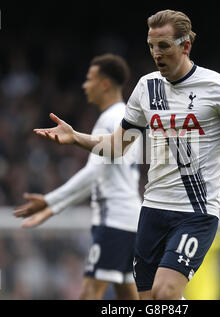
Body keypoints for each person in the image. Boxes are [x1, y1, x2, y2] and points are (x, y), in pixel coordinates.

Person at [33, 9, 220, 300]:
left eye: (164, 46)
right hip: (153, 210)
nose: (156, 53)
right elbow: (119, 145)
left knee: (165, 293)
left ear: (185, 46)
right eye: (151, 46)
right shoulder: (146, 87)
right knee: (148, 301)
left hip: (196, 212)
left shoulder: (218, 87)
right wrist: (75, 137)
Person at [14, 54, 142, 300]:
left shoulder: (111, 119)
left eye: (89, 79)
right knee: (127, 296)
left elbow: (95, 172)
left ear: (105, 84)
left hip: (114, 219)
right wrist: (54, 206)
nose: (84, 85)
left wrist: (51, 202)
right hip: (128, 219)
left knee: (89, 293)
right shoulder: (124, 117)